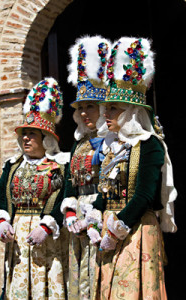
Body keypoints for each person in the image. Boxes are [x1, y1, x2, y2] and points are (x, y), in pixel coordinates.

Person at [91, 37, 177, 299]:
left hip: (135, 230)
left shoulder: (148, 145)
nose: (106, 113)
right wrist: (94, 215)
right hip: (111, 228)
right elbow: (105, 190)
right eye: (106, 107)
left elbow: (144, 195)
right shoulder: (112, 145)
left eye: (114, 108)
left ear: (130, 111)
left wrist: (116, 231)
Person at [0, 78, 70, 299]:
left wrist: (45, 227)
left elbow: (62, 196)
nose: (25, 138)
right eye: (23, 133)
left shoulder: (59, 165)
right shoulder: (13, 165)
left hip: (48, 238)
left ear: (46, 139)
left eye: (31, 133)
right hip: (18, 239)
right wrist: (2, 221)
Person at [60, 36, 111, 300]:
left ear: (103, 108)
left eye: (90, 106)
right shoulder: (78, 144)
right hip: (77, 216)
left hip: (100, 217)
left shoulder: (114, 142)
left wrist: (93, 216)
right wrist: (69, 212)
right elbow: (70, 181)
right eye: (80, 107)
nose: (84, 113)